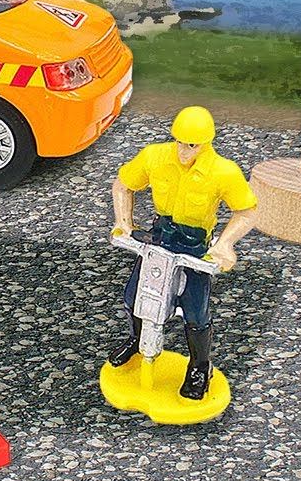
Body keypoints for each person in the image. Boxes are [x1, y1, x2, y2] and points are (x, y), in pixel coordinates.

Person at [108, 106, 258, 399]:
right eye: (179, 142)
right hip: (159, 240)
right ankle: (137, 341)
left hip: (194, 247)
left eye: (192, 145)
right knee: (133, 297)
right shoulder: (154, 157)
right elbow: (123, 185)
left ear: (206, 143)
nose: (183, 151)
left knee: (195, 312)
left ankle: (200, 366)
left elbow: (247, 211)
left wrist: (225, 244)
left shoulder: (223, 172)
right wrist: (123, 223)